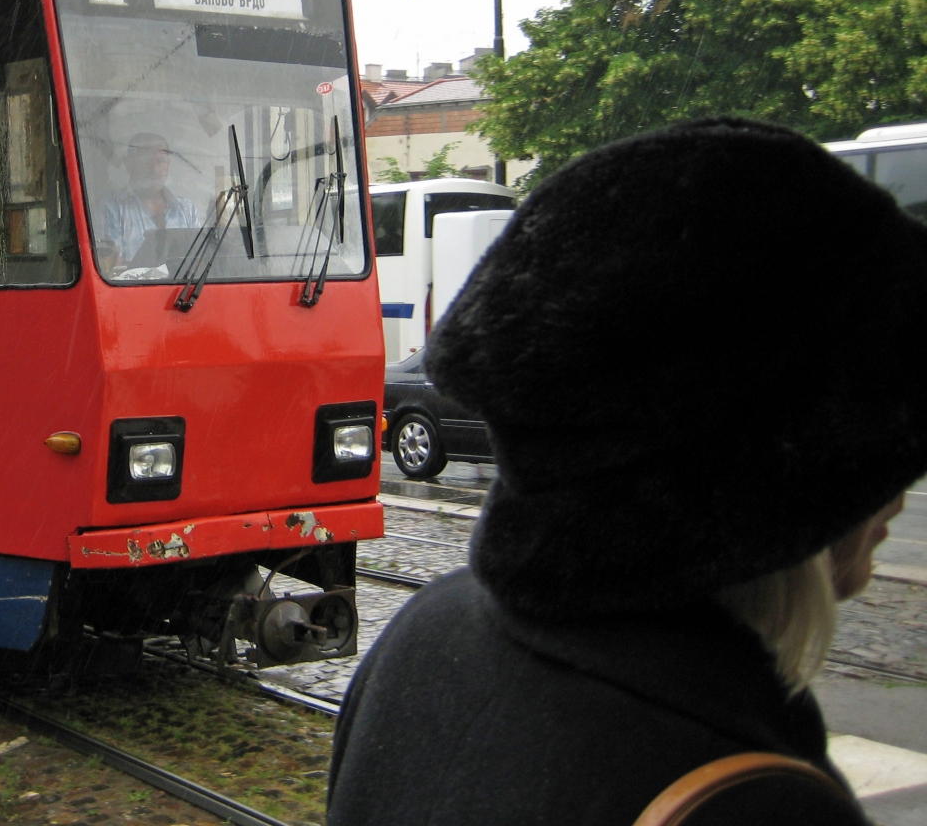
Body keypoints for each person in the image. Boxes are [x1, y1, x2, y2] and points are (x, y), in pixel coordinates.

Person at [328, 118, 927, 826]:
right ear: (790, 462)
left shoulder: (425, 637)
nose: (901, 489)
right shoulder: (753, 799)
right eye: (884, 425)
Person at [97, 132, 200, 271]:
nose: (154, 170)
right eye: (145, 162)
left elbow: (199, 262)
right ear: (128, 164)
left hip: (185, 291)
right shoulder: (111, 209)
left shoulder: (187, 209)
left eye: (160, 161)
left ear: (168, 165)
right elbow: (112, 268)